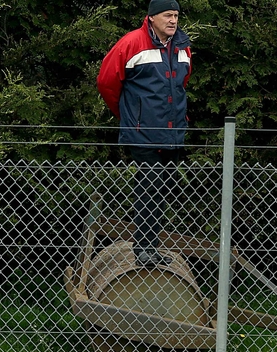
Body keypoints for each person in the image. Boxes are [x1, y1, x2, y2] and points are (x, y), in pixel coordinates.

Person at [97, 0, 192, 267]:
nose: (173, 21)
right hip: (143, 132)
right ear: (150, 18)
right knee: (150, 186)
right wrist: (129, 116)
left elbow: (182, 83)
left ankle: (150, 246)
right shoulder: (131, 43)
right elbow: (106, 82)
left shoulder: (183, 46)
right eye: (167, 15)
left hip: (173, 132)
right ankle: (144, 249)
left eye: (176, 16)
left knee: (162, 188)